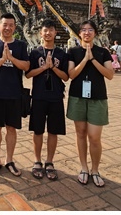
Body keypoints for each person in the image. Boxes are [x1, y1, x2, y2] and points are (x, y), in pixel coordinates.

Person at [67, 20, 114, 188]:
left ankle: (95, 169)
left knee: (94, 137)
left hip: (97, 97)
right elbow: (71, 74)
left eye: (90, 30)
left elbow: (110, 74)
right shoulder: (72, 51)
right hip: (77, 96)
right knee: (80, 133)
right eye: (84, 30)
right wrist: (84, 60)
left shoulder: (103, 52)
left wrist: (92, 59)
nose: (87, 32)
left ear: (95, 33)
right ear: (79, 33)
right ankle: (84, 168)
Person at [0, 13, 30, 177]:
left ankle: (9, 160)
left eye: (11, 25)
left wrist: (11, 58)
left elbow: (26, 66)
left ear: (15, 28)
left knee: (11, 128)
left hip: (14, 94)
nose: (8, 28)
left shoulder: (20, 46)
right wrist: (2, 60)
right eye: (5, 25)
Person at [24, 19, 69, 181]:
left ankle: (49, 162)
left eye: (51, 30)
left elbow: (66, 77)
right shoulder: (35, 53)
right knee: (37, 130)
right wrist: (43, 68)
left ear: (56, 33)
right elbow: (28, 74)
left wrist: (53, 68)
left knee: (53, 130)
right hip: (38, 97)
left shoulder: (62, 54)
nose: (48, 33)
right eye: (45, 30)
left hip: (56, 97)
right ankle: (37, 161)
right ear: (40, 33)